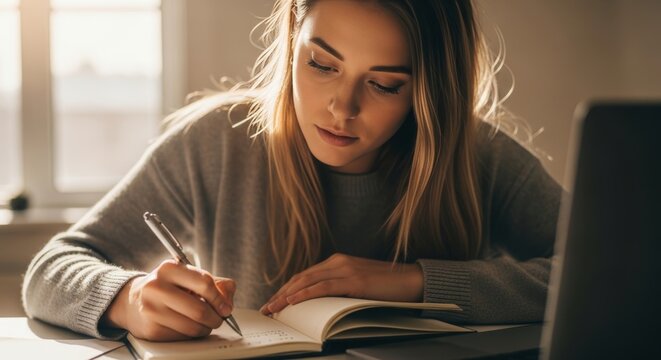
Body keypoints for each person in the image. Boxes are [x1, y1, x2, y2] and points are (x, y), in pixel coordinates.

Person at [22, 0, 562, 342]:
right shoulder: (218, 141)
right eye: (322, 65)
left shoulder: (477, 156)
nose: (341, 108)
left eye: (385, 84)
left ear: (429, 89)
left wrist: (416, 282)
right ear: (290, 42)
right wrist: (130, 298)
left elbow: (621, 271)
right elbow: (52, 268)